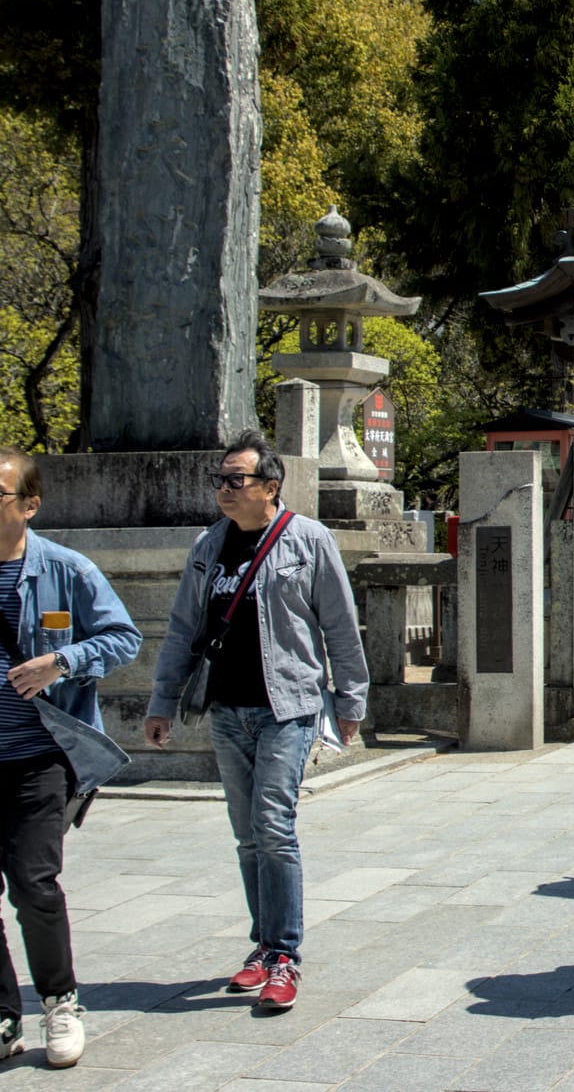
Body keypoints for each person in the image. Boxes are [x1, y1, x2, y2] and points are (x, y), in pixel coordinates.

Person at [145, 430, 367, 1014]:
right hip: (225, 708)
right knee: (246, 833)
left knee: (273, 823)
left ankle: (284, 955)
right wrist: (161, 701)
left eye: (235, 480)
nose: (223, 489)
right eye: (218, 479)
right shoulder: (207, 546)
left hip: (287, 707)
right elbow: (182, 629)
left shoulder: (307, 540)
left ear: (271, 487)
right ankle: (262, 948)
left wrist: (350, 703)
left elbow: (340, 627)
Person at [0, 447, 140, 1067]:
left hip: (40, 756)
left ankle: (60, 1001)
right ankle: (6, 1014)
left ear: (30, 505)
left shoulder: (66, 570)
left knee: (33, 883)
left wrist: (60, 661)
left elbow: (123, 638)